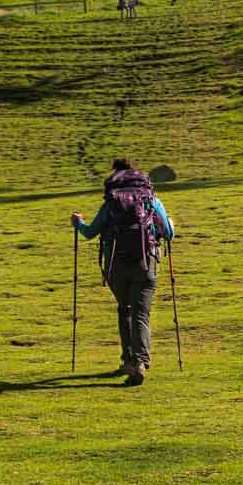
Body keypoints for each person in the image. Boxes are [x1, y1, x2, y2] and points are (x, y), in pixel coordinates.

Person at [71, 159, 174, 386]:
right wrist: (171, 224)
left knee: (124, 308)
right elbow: (167, 233)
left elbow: (90, 233)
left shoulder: (111, 203)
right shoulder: (151, 200)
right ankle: (139, 361)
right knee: (141, 311)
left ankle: (128, 359)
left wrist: (78, 223)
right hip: (146, 262)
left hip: (115, 265)